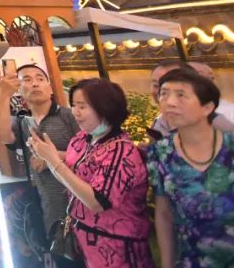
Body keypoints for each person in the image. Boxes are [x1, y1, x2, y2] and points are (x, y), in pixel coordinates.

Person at [28, 79, 153, 267]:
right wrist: (50, 153)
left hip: (117, 247)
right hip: (83, 242)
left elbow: (98, 201)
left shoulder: (121, 151)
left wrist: (52, 160)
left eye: (82, 106)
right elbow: (76, 167)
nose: (75, 112)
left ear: (105, 108)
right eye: (73, 105)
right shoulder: (81, 140)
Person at [147, 69, 234, 268]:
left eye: (181, 95)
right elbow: (164, 213)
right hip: (193, 259)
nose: (169, 102)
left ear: (207, 107)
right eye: (164, 93)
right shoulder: (160, 152)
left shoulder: (230, 147)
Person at [0, 63, 79, 251]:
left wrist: (52, 158)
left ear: (49, 87)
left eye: (40, 79)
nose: (35, 84)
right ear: (20, 90)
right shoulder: (24, 121)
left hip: (78, 205)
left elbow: (90, 152)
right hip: (46, 207)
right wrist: (3, 95)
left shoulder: (68, 116)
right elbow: (3, 136)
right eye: (27, 80)